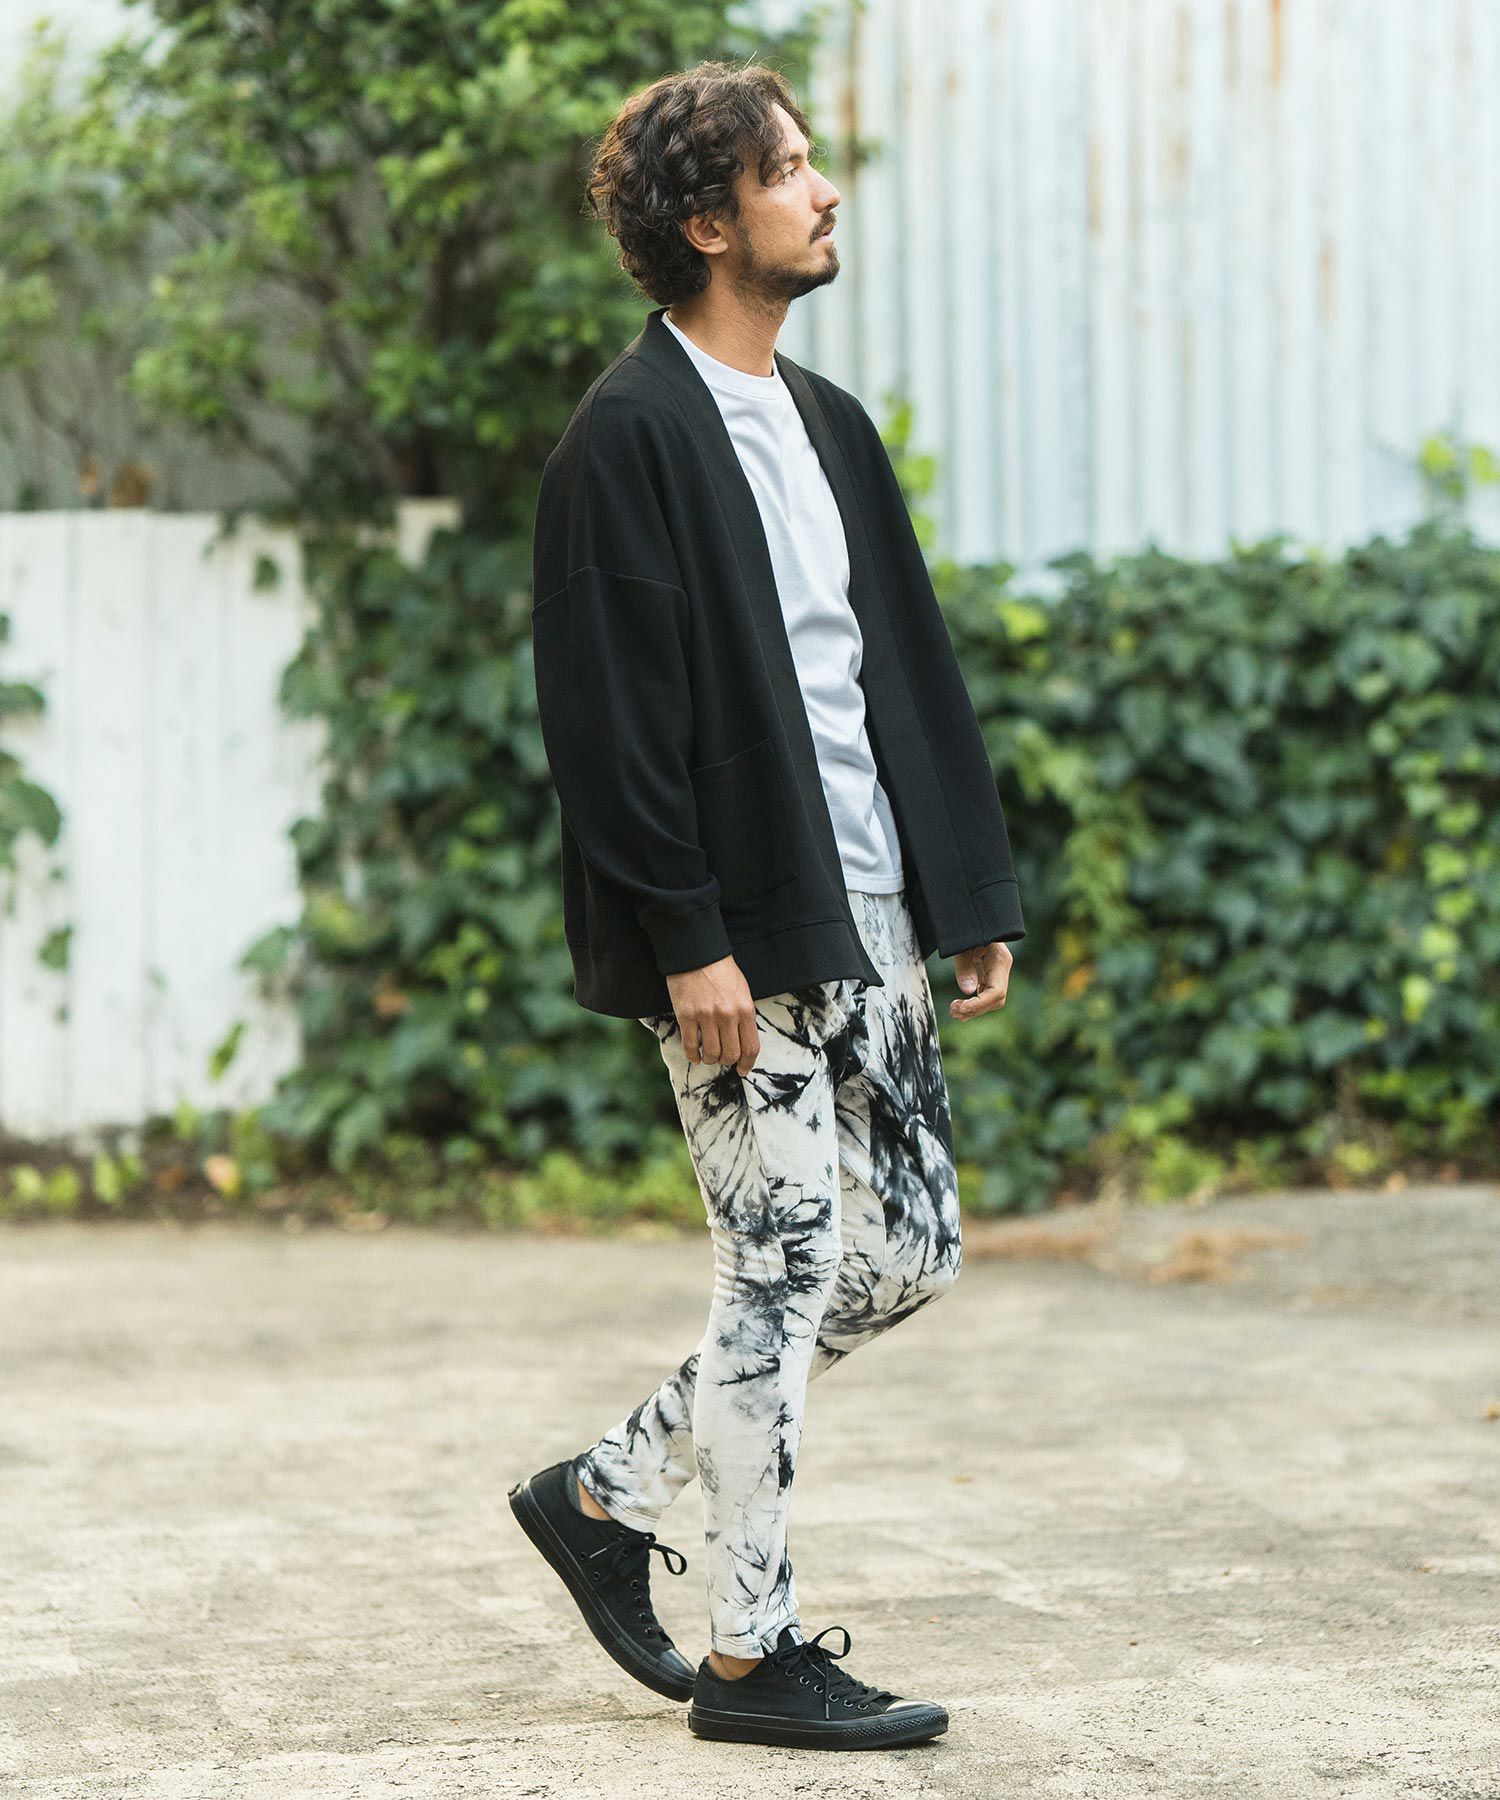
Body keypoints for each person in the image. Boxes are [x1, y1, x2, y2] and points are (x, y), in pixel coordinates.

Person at [510, 58, 1023, 1752]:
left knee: (909, 1254)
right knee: (785, 1260)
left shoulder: (828, 424)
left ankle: (606, 1493)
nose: (823, 188)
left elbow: (899, 671)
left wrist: (961, 885)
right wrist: (688, 938)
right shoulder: (628, 439)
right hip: (735, 934)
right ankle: (752, 1654)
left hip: (866, 903)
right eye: (788, 169)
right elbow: (610, 722)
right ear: (709, 221)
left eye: (809, 161)